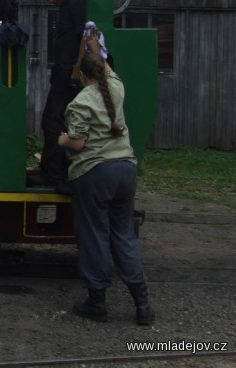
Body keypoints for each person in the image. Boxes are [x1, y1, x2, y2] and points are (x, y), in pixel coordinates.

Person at [58, 32, 154, 325]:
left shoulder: (80, 103)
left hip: (95, 174)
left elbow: (78, 143)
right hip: (125, 170)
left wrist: (62, 140)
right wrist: (96, 47)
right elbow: (108, 70)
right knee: (123, 235)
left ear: (80, 74)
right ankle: (142, 303)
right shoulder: (116, 87)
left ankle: (96, 301)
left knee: (95, 235)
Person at [31, 0, 86, 188]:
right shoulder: (65, 6)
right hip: (62, 70)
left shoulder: (77, 4)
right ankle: (53, 171)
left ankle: (54, 176)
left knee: (52, 121)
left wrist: (77, 68)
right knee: (55, 122)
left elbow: (84, 36)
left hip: (69, 72)